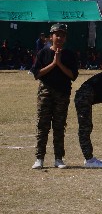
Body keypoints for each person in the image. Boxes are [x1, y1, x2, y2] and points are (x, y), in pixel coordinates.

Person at [30, 23, 79, 169]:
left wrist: (60, 64)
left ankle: (59, 158)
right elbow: (37, 74)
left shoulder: (69, 54)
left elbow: (72, 75)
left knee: (59, 126)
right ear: (51, 37)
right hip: (45, 93)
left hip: (62, 94)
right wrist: (53, 63)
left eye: (63, 35)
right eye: (57, 34)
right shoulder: (43, 53)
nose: (60, 38)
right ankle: (39, 158)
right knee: (42, 125)